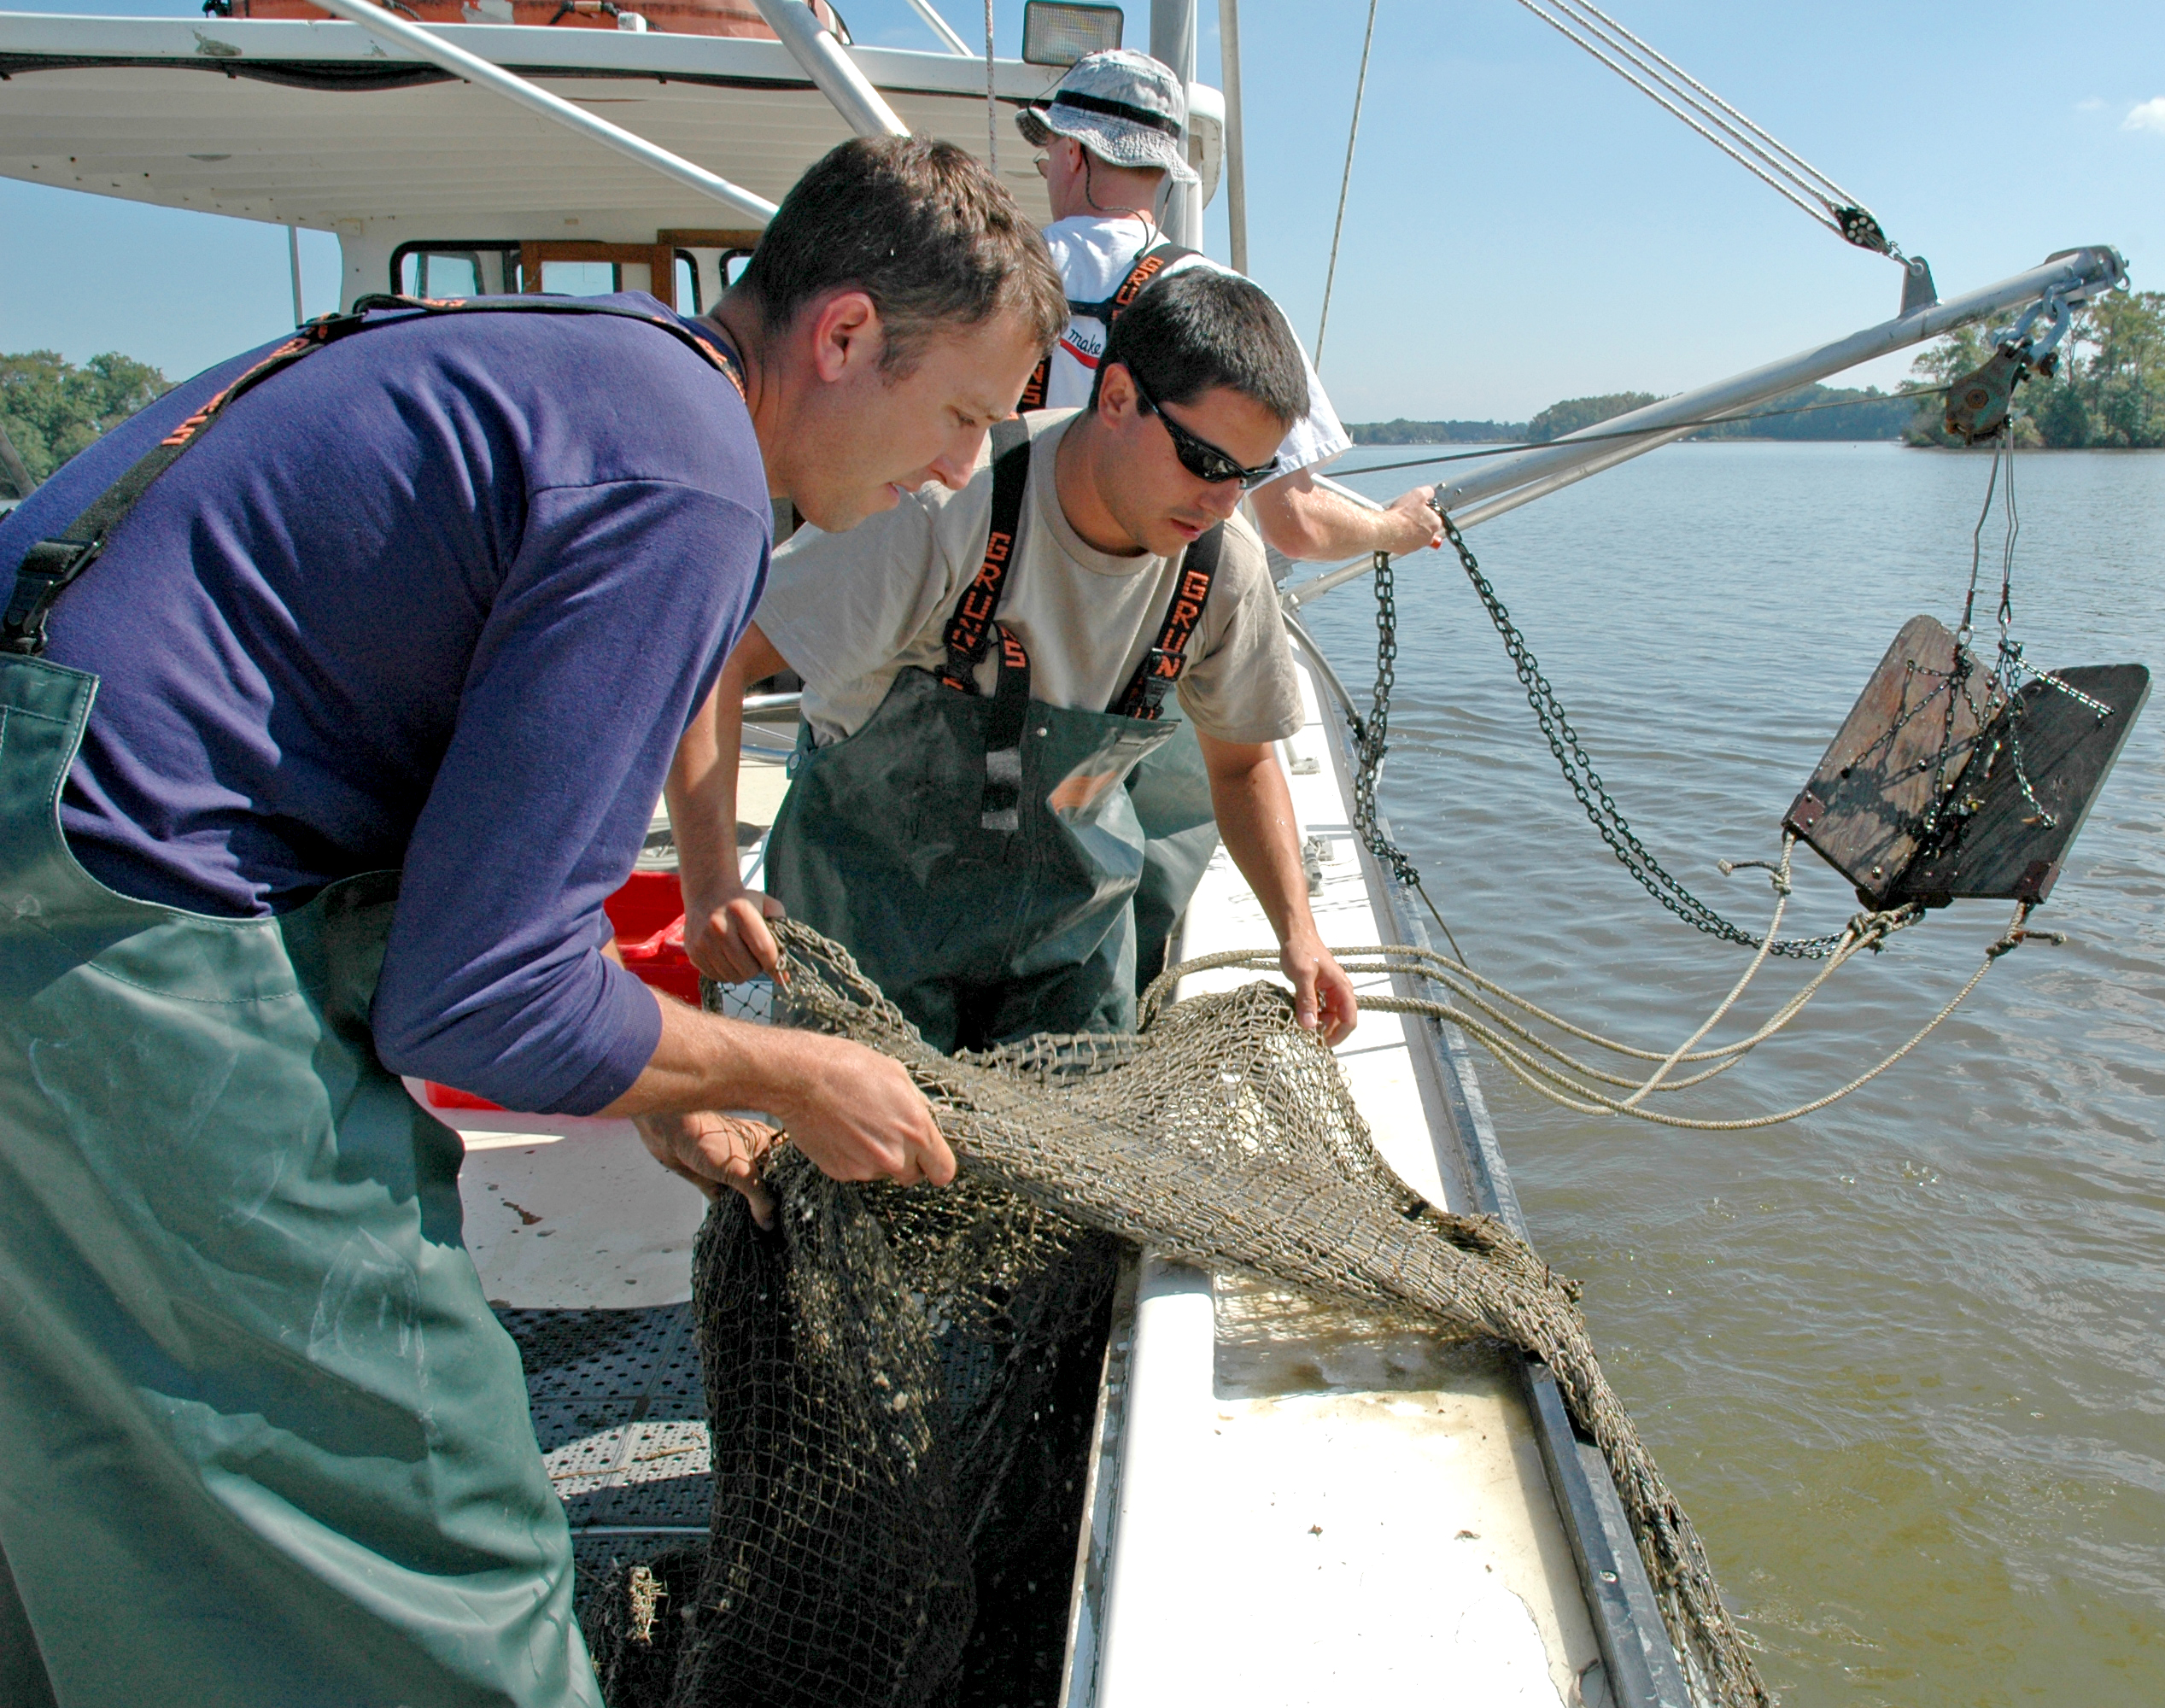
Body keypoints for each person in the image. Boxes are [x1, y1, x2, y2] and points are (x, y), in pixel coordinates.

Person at [0, 136, 1062, 1708]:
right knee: (427, 1525)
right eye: (963, 414)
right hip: (107, 931)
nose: (958, 473)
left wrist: (662, 1084)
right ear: (841, 338)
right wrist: (787, 1076)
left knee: (82, 1498)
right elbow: (477, 1001)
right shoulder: (690, 479)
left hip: (56, 830)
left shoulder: (584, 367)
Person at [670, 266, 1360, 1056]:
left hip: (1066, 935)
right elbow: (712, 659)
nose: (1223, 501)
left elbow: (1240, 767)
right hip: (872, 917)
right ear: (1117, 398)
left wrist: (1299, 935)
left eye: (1250, 474)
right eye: (1205, 462)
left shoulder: (1220, 568)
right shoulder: (942, 510)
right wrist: (713, 884)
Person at [1017, 47, 1446, 981]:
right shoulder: (1222, 306)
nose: (1045, 168)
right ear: (1163, 175)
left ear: (1078, 155)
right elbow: (1291, 521)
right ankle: (1117, 1017)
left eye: (1048, 148)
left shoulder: (1002, 274)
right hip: (1154, 637)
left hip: (1004, 615)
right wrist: (1391, 528)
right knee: (1139, 876)